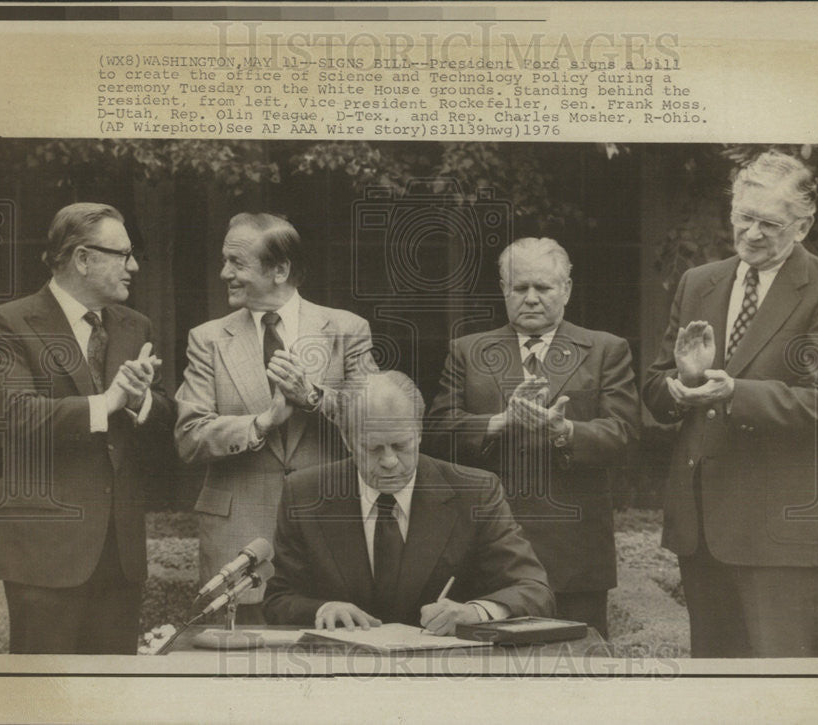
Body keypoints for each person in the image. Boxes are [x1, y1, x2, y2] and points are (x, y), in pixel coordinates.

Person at [642, 150, 818, 657]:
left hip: (782, 534)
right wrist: (680, 385)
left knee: (783, 688)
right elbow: (654, 383)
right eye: (744, 217)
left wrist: (736, 392)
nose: (753, 233)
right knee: (715, 688)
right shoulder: (699, 281)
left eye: (770, 223)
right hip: (702, 527)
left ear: (802, 227)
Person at [427, 238, 640, 637]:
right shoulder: (468, 351)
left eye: (543, 288)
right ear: (504, 290)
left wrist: (565, 431)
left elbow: (624, 434)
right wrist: (499, 422)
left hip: (574, 554)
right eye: (519, 287)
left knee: (577, 671)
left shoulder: (605, 350)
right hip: (486, 549)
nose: (530, 298)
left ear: (567, 290)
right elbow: (437, 430)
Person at [0, 202, 175, 654]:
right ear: (82, 258)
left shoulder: (136, 326)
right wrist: (106, 401)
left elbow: (167, 420)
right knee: (42, 700)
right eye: (122, 254)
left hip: (121, 556)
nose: (132, 266)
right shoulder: (9, 323)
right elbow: (15, 415)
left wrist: (142, 402)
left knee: (111, 701)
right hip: (45, 558)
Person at [175, 212, 373, 622]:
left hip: (328, 537)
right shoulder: (207, 339)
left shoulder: (347, 330)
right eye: (225, 260)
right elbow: (189, 437)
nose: (223, 272)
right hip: (239, 542)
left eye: (237, 263)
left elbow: (375, 422)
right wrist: (262, 423)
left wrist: (314, 396)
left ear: (280, 269)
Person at [263, 371, 554, 633]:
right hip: (344, 673)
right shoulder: (304, 493)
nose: (389, 462)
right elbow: (279, 599)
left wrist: (475, 613)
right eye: (374, 448)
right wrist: (323, 609)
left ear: (419, 434)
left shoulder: (475, 492)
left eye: (401, 446)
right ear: (347, 441)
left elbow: (534, 590)